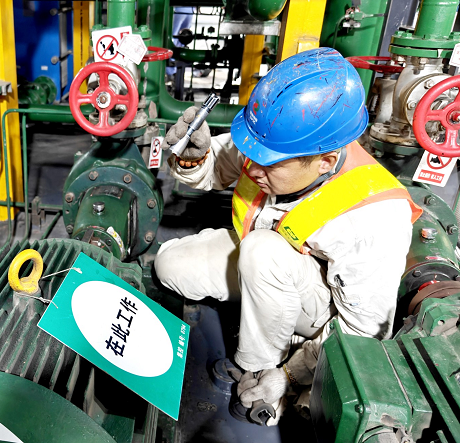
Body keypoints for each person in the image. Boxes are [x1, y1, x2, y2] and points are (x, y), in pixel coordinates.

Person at [154, 47, 422, 425]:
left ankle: (258, 365)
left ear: (326, 161)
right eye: (251, 150)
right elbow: (216, 169)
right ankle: (266, 314)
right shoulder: (274, 142)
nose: (253, 167)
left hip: (321, 307)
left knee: (262, 253)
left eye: (269, 163)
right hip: (263, 262)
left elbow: (362, 334)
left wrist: (291, 374)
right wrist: (194, 157)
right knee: (171, 265)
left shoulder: (374, 216)